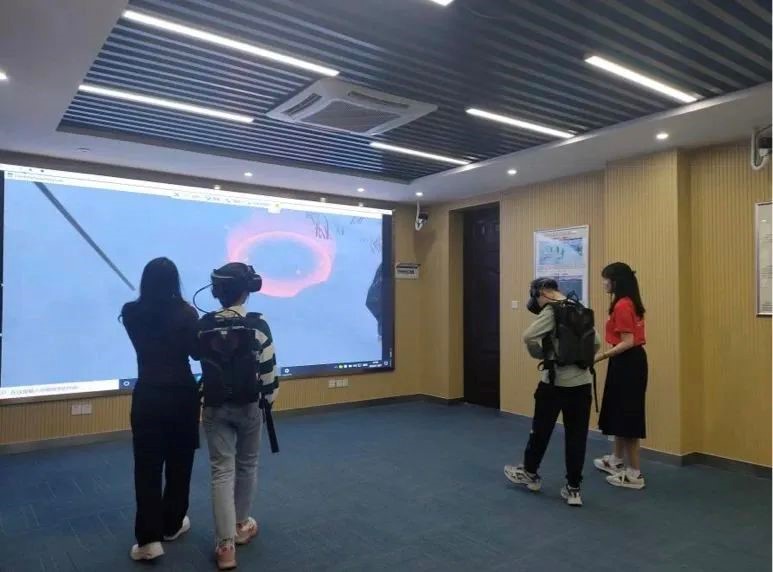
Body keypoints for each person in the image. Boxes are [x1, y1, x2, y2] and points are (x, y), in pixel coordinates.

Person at [198, 262, 278, 570]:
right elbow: (269, 371)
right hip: (249, 408)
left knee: (221, 471)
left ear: (216, 291)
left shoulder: (203, 325)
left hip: (214, 407)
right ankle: (242, 525)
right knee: (247, 466)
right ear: (247, 290)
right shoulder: (258, 324)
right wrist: (267, 403)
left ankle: (225, 547)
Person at [120, 257, 200, 561]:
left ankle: (149, 541)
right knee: (180, 464)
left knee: (147, 468)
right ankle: (172, 524)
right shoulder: (187, 313)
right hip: (182, 396)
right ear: (175, 282)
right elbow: (195, 353)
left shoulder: (131, 313)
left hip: (148, 396)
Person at [504, 278, 601, 507]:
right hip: (582, 383)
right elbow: (596, 342)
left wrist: (541, 353)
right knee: (577, 437)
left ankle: (530, 473)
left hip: (554, 383)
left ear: (542, 292)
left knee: (541, 430)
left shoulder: (551, 310)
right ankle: (573, 489)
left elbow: (528, 336)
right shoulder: (579, 308)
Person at [593, 262, 648, 490]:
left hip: (628, 362)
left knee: (628, 415)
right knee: (618, 411)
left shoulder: (623, 305)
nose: (604, 283)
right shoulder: (628, 302)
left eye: (606, 279)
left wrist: (600, 356)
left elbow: (628, 342)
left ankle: (634, 473)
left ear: (616, 281)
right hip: (627, 361)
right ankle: (616, 459)